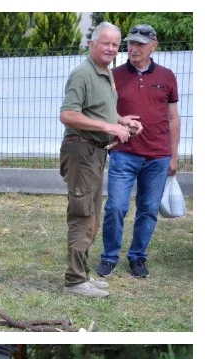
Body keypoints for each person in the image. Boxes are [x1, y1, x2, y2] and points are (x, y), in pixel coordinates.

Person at [57, 22, 141, 298]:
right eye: (106, 43)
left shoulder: (105, 73)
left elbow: (99, 110)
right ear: (92, 44)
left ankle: (82, 275)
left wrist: (121, 121)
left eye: (116, 44)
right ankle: (74, 281)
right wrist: (109, 128)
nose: (111, 48)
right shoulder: (82, 74)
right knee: (82, 216)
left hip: (95, 152)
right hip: (81, 151)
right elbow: (68, 115)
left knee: (92, 216)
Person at [98, 24, 181, 280]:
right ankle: (109, 256)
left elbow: (173, 118)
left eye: (140, 44)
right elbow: (104, 111)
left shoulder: (167, 77)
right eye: (130, 43)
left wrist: (174, 156)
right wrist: (121, 120)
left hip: (158, 156)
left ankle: (137, 257)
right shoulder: (114, 75)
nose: (133, 48)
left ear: (153, 46)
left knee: (147, 209)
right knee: (115, 206)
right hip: (124, 153)